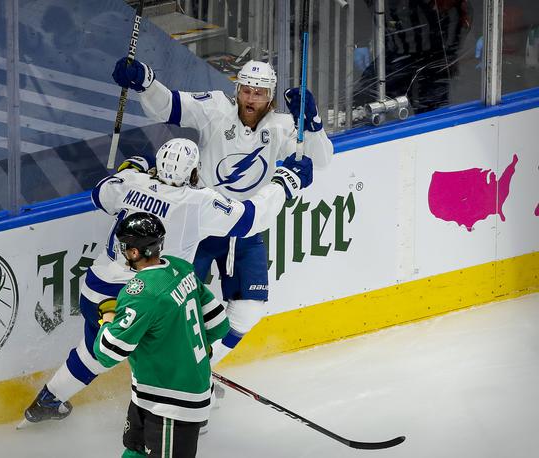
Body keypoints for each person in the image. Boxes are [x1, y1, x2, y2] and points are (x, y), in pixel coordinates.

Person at [20, 138, 313, 425]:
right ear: (195, 172)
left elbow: (100, 194)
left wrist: (130, 168)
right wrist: (285, 183)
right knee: (171, 349)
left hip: (97, 290)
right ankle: (185, 405)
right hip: (146, 298)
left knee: (94, 352)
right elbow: (250, 219)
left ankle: (47, 401)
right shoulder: (197, 201)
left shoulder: (131, 182)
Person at [112, 57, 334, 368]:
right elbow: (170, 106)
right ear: (237, 90)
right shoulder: (215, 108)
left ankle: (202, 367)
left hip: (243, 228)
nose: (250, 99)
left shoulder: (283, 127)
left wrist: (312, 123)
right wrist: (146, 83)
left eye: (258, 93)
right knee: (173, 306)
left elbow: (321, 160)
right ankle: (156, 371)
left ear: (270, 96)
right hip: (200, 223)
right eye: (245, 90)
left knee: (250, 309)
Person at [94, 211, 229, 458]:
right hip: (150, 392)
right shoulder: (182, 268)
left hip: (172, 403)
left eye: (125, 246)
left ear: (135, 252)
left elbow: (107, 352)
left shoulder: (141, 294)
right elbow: (219, 324)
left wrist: (108, 319)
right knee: (134, 450)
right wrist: (194, 352)